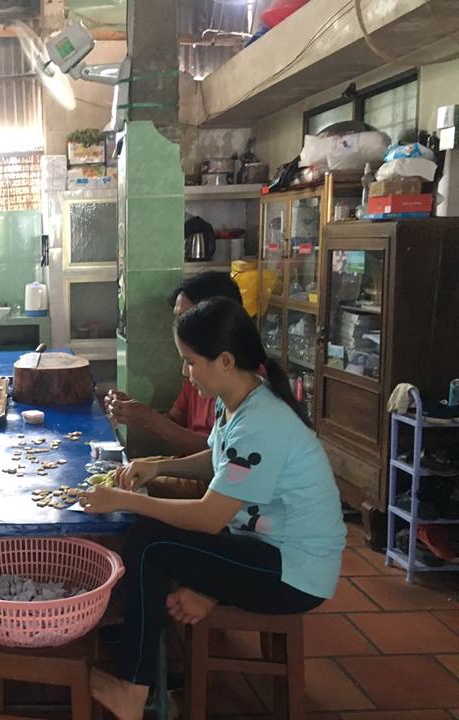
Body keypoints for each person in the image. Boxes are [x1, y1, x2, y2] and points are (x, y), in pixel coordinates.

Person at [81, 298, 346, 720]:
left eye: (190, 362)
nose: (186, 372)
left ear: (224, 360)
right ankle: (201, 596)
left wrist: (124, 499)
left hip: (293, 572)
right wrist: (157, 467)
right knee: (154, 521)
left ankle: (132, 689)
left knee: (147, 544)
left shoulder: (262, 422)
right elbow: (217, 460)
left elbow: (208, 516)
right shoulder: (239, 398)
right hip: (258, 544)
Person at [104, 271, 243, 499]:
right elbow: (212, 449)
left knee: (121, 488)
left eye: (186, 318)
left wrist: (151, 420)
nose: (184, 372)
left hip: (211, 486)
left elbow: (218, 464)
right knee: (115, 473)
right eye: (177, 318)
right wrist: (135, 412)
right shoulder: (200, 369)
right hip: (200, 470)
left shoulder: (240, 388)